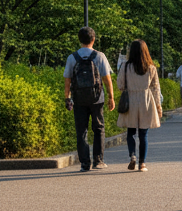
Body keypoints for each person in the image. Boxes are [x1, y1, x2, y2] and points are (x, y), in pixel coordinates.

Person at [63, 27, 115, 172]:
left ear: (79, 40)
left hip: (79, 99)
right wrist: (111, 97)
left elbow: (67, 80)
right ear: (93, 39)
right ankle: (98, 161)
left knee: (81, 130)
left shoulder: (72, 57)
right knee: (98, 128)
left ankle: (85, 163)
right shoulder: (100, 56)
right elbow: (107, 79)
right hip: (97, 98)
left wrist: (67, 98)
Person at [116, 39, 163, 171]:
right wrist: (158, 107)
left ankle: (132, 156)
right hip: (146, 100)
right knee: (143, 134)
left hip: (130, 100)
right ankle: (142, 163)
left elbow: (120, 85)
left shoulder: (125, 66)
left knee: (130, 132)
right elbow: (156, 88)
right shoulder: (151, 68)